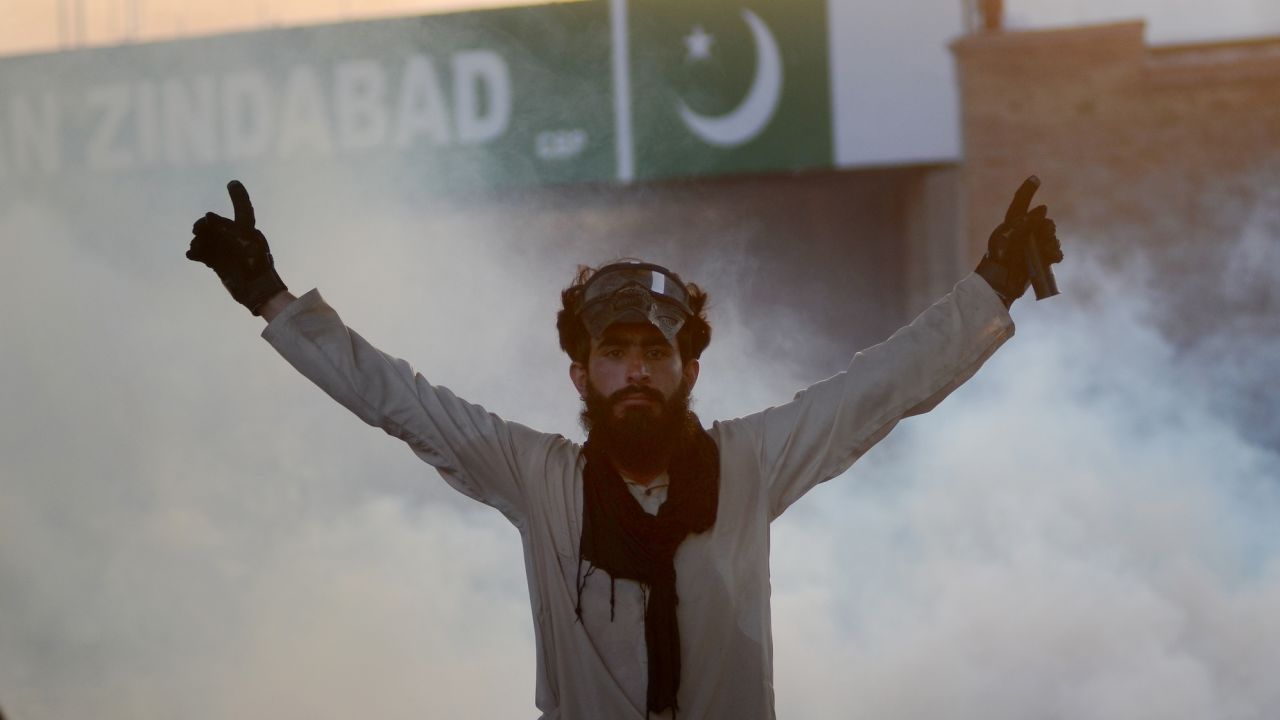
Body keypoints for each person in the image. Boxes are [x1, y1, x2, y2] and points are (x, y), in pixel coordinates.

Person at [186, 177, 1062, 720]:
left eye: (655, 353)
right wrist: (269, 295)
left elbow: (881, 388)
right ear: (581, 373)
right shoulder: (537, 479)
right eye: (615, 353)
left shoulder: (750, 465)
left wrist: (995, 285)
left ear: (686, 370)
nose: (635, 371)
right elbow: (398, 400)